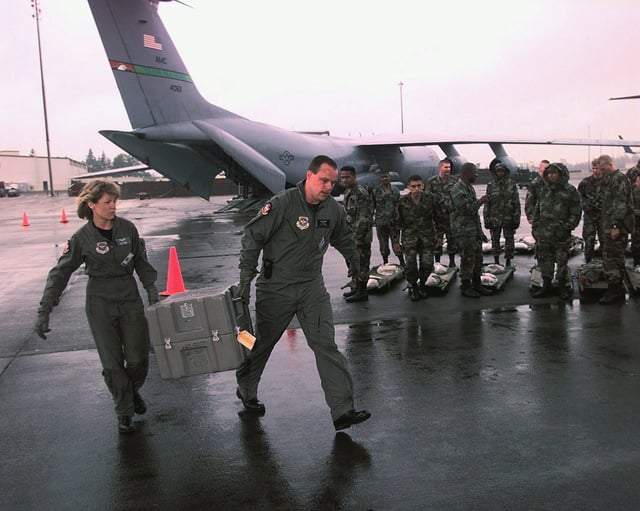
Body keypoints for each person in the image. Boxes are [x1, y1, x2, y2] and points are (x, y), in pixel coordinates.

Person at [235, 155, 371, 431]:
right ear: (309, 176)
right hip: (276, 288)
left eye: (332, 183)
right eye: (323, 180)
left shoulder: (332, 209)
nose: (328, 187)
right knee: (261, 343)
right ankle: (246, 389)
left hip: (312, 288)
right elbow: (253, 237)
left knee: (326, 345)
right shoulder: (283, 204)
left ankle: (342, 410)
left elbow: (343, 237)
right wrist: (245, 280)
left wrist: (356, 264)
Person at [34, 179, 159, 434]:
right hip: (99, 301)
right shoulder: (81, 238)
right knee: (113, 363)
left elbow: (142, 263)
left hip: (129, 297)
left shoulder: (128, 229)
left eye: (115, 201)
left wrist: (152, 291)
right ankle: (124, 411)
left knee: (138, 358)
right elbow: (60, 273)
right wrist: (45, 309)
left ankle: (131, 392)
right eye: (107, 202)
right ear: (91, 205)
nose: (114, 206)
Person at [530, 163, 582, 300]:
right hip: (544, 234)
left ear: (561, 174)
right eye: (549, 173)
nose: (551, 176)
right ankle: (546, 285)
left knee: (562, 262)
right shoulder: (543, 190)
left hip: (561, 234)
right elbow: (537, 209)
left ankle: (562, 287)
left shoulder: (570, 191)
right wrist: (535, 226)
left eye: (555, 173)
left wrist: (567, 227)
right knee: (544, 261)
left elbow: (576, 212)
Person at [450, 163, 492, 298]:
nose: (477, 175)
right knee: (467, 259)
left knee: (478, 259)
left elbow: (474, 215)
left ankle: (477, 284)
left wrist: (480, 232)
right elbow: (467, 210)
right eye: (475, 172)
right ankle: (466, 286)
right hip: (463, 231)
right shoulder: (458, 189)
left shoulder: (469, 188)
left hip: (473, 231)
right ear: (467, 173)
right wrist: (481, 201)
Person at [597, 154, 635, 304]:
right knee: (611, 257)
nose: (601, 171)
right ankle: (615, 289)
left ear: (609, 165)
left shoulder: (619, 179)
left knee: (613, 258)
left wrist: (615, 226)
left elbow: (621, 204)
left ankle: (615, 291)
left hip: (617, 227)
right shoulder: (610, 180)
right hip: (609, 226)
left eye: (602, 168)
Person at [395, 175, 438, 301]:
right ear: (408, 187)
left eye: (419, 186)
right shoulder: (402, 202)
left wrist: (440, 237)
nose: (417, 189)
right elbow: (396, 223)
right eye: (413, 186)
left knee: (427, 264)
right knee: (411, 265)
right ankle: (414, 287)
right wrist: (395, 241)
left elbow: (439, 218)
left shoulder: (431, 200)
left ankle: (422, 284)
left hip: (427, 237)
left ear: (423, 186)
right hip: (410, 239)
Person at [340, 165, 373, 303]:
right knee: (354, 263)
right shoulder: (349, 192)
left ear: (354, 177)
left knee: (361, 264)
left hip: (360, 237)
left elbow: (364, 218)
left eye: (347, 177)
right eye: (342, 177)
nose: (344, 180)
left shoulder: (360, 193)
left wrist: (359, 237)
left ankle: (362, 292)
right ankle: (357, 287)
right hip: (351, 236)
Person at [483, 163, 521, 266]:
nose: (500, 173)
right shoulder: (491, 185)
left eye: (502, 171)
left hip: (508, 218)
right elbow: (487, 203)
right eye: (498, 171)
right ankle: (496, 261)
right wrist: (486, 219)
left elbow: (516, 203)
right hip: (494, 218)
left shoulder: (511, 184)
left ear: (506, 172)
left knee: (509, 240)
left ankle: (508, 260)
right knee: (495, 240)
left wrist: (516, 218)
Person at [425, 158, 458, 267]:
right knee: (437, 240)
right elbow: (427, 198)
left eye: (449, 167)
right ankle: (437, 262)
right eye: (445, 167)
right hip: (437, 218)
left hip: (451, 217)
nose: (448, 169)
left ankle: (452, 262)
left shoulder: (455, 181)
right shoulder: (432, 182)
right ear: (440, 168)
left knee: (452, 240)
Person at [371, 169, 403, 266]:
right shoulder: (375, 191)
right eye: (382, 177)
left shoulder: (395, 191)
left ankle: (402, 262)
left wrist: (400, 218)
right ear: (380, 179)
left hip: (394, 222)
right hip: (381, 222)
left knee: (396, 243)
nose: (384, 179)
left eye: (386, 176)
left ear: (390, 177)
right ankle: (385, 262)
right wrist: (370, 219)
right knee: (383, 244)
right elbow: (372, 206)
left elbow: (399, 205)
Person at [577, 159, 604, 263]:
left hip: (603, 216)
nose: (595, 170)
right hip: (590, 216)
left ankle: (603, 262)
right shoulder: (585, 182)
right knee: (589, 240)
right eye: (593, 168)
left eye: (597, 168)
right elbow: (579, 197)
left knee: (604, 239)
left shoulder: (608, 182)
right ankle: (588, 261)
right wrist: (586, 206)